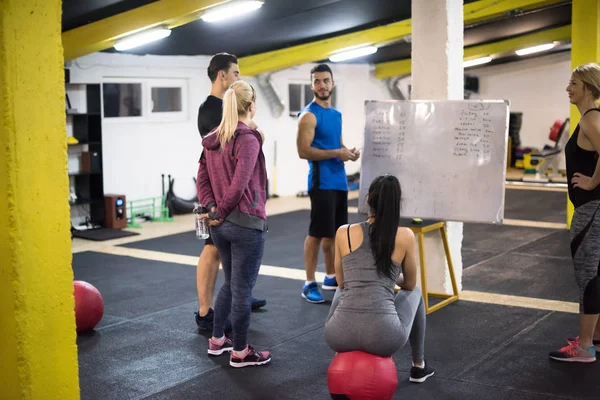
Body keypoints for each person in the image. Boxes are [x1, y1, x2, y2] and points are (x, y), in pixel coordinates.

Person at [324, 174, 434, 383]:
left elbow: (341, 282)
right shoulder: (405, 236)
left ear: (368, 198)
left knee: (343, 288)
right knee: (417, 291)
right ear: (397, 204)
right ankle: (418, 366)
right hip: (384, 337)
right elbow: (409, 284)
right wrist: (390, 278)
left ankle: (344, 353)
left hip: (338, 335)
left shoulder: (343, 232)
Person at [196, 80, 271, 368]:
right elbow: (240, 183)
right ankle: (240, 351)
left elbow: (201, 179)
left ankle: (217, 341)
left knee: (230, 283)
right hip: (244, 224)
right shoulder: (247, 139)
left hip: (220, 226)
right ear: (251, 106)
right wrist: (222, 209)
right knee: (242, 290)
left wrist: (213, 210)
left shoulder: (213, 139)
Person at [296, 63, 360, 303]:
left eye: (325, 80)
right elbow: (303, 151)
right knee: (316, 233)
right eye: (317, 81)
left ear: (332, 83)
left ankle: (330, 275)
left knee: (333, 234)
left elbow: (337, 145)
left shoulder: (336, 115)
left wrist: (348, 152)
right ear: (311, 85)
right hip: (321, 182)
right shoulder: (309, 115)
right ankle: (309, 282)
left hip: (339, 182)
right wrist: (336, 153)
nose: (321, 85)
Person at [549, 63, 600, 363]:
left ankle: (584, 348)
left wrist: (593, 181)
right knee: (596, 273)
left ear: (589, 88)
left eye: (574, 84)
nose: (568, 88)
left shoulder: (591, 121)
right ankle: (594, 337)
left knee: (588, 277)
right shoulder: (593, 119)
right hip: (594, 207)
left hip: (591, 209)